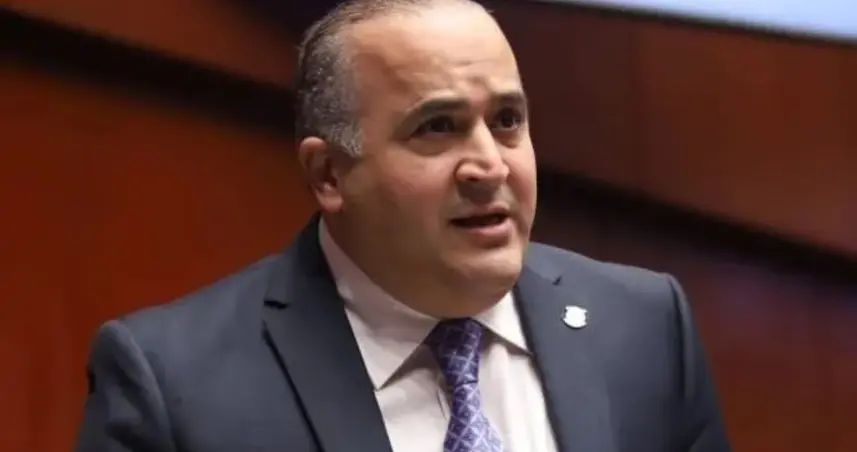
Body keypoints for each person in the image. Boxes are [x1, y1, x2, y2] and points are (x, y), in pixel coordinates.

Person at [75, 0, 731, 451]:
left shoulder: (644, 326)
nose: (489, 165)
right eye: (437, 127)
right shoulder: (176, 385)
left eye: (507, 121)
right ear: (329, 174)